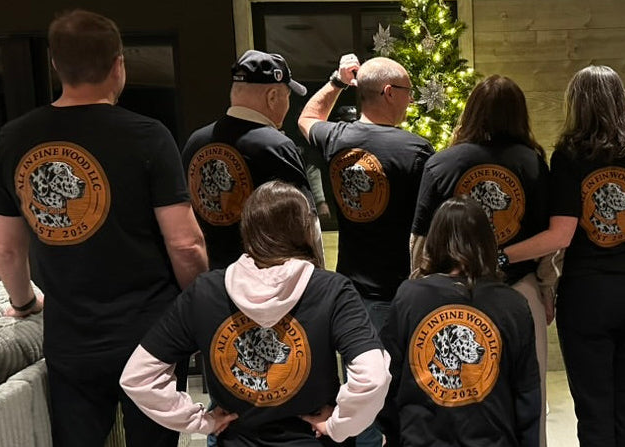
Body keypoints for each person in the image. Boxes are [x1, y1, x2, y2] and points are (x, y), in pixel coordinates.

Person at [0, 10, 207, 447]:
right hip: (151, 336)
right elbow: (185, 243)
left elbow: (8, 252)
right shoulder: (147, 136)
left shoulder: (13, 139)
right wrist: (196, 309)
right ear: (118, 65)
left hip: (72, 339)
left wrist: (25, 302)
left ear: (55, 64)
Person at [503, 65, 625, 446]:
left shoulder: (568, 156)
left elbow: (561, 234)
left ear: (576, 105)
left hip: (587, 296)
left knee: (594, 413)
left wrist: (500, 255)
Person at [121, 181, 392, 446]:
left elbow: (139, 376)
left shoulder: (205, 291)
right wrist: (339, 425)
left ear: (247, 229)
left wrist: (201, 422)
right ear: (306, 229)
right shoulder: (333, 291)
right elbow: (373, 377)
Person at [408, 74, 552, 446]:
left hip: (447, 293)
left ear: (471, 112)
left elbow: (420, 240)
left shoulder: (441, 163)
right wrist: (548, 291)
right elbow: (549, 241)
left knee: (446, 390)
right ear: (519, 115)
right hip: (518, 291)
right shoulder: (534, 163)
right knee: (528, 397)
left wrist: (419, 287)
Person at [298, 54, 433, 446]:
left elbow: (306, 118)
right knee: (405, 392)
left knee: (360, 395)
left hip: (352, 292)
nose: (411, 100)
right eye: (408, 92)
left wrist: (338, 82)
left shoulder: (337, 137)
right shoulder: (417, 150)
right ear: (390, 92)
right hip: (402, 292)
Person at [379, 196, 541, 446]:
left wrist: (394, 435)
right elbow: (528, 394)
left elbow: (388, 380)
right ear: (488, 243)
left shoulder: (408, 297)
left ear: (433, 241)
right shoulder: (513, 304)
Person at [182, 49, 317, 270]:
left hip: (212, 280)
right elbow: (305, 224)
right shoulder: (277, 146)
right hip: (267, 286)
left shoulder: (196, 142)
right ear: (272, 96)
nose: (288, 105)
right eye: (288, 96)